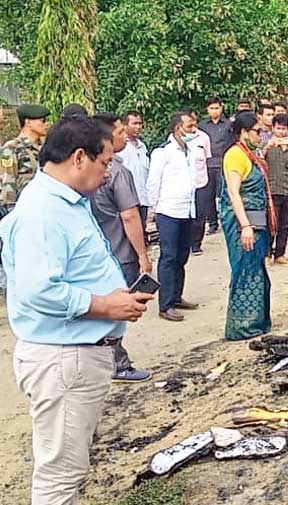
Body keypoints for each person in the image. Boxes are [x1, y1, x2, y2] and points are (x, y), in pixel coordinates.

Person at [1, 116, 154, 504]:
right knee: (60, 475)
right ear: (80, 157)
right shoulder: (43, 212)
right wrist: (105, 305)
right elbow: (40, 290)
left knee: (68, 467)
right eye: (105, 163)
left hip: (76, 355)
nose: (108, 173)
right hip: (64, 359)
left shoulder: (66, 201)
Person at [90, 112, 153, 383]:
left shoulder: (84, 172)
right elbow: (129, 215)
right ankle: (117, 364)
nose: (124, 135)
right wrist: (142, 255)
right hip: (119, 251)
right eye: (118, 132)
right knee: (117, 311)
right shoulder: (116, 170)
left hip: (96, 253)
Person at [221, 112, 274, 340]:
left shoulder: (251, 154)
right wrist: (245, 226)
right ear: (244, 132)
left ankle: (257, 322)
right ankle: (241, 326)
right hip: (245, 221)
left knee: (256, 269)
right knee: (245, 270)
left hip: (257, 219)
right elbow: (234, 193)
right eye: (257, 131)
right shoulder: (235, 155)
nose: (261, 136)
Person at [147, 111, 202, 322]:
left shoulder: (191, 151)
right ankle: (166, 304)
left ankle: (177, 296)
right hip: (168, 211)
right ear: (178, 128)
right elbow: (153, 182)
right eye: (189, 126)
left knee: (182, 256)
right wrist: (156, 208)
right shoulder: (163, 153)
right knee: (168, 257)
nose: (193, 130)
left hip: (187, 210)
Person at [263, 113, 288, 264]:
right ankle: (267, 253)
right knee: (270, 224)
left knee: (284, 225)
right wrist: (267, 146)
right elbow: (258, 159)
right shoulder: (266, 145)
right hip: (271, 190)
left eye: (284, 129)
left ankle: (280, 253)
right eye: (278, 128)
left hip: (287, 191)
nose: (281, 132)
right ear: (272, 129)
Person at [0, 104, 50, 206]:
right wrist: (10, 211)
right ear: (28, 123)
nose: (47, 124)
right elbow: (8, 183)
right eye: (43, 120)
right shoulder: (12, 148)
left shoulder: (46, 148)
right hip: (23, 207)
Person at [199, 97, 233, 235]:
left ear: (221, 108)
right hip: (207, 164)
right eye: (212, 108)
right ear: (207, 110)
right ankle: (213, 223)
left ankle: (226, 220)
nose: (215, 111)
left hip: (223, 163)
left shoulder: (228, 125)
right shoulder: (202, 126)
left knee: (224, 194)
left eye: (217, 108)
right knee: (208, 196)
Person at [187, 109, 213, 255]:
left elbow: (207, 159)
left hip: (201, 182)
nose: (193, 126)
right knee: (186, 215)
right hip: (184, 185)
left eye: (194, 122)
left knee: (200, 215)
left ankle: (196, 244)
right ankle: (186, 242)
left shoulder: (203, 137)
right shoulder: (177, 139)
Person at [120, 111, 151, 231]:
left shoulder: (142, 147)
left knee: (141, 230)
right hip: (126, 199)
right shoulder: (120, 147)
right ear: (125, 125)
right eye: (134, 123)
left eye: (140, 123)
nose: (138, 127)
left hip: (142, 198)